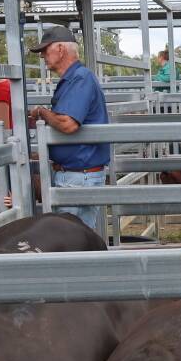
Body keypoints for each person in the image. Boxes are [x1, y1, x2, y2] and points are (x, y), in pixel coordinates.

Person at [27, 25, 109, 230]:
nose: (43, 56)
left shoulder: (80, 78)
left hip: (78, 176)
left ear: (61, 49)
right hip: (76, 174)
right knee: (73, 238)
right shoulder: (74, 79)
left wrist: (42, 113)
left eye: (46, 50)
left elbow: (68, 123)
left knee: (70, 239)